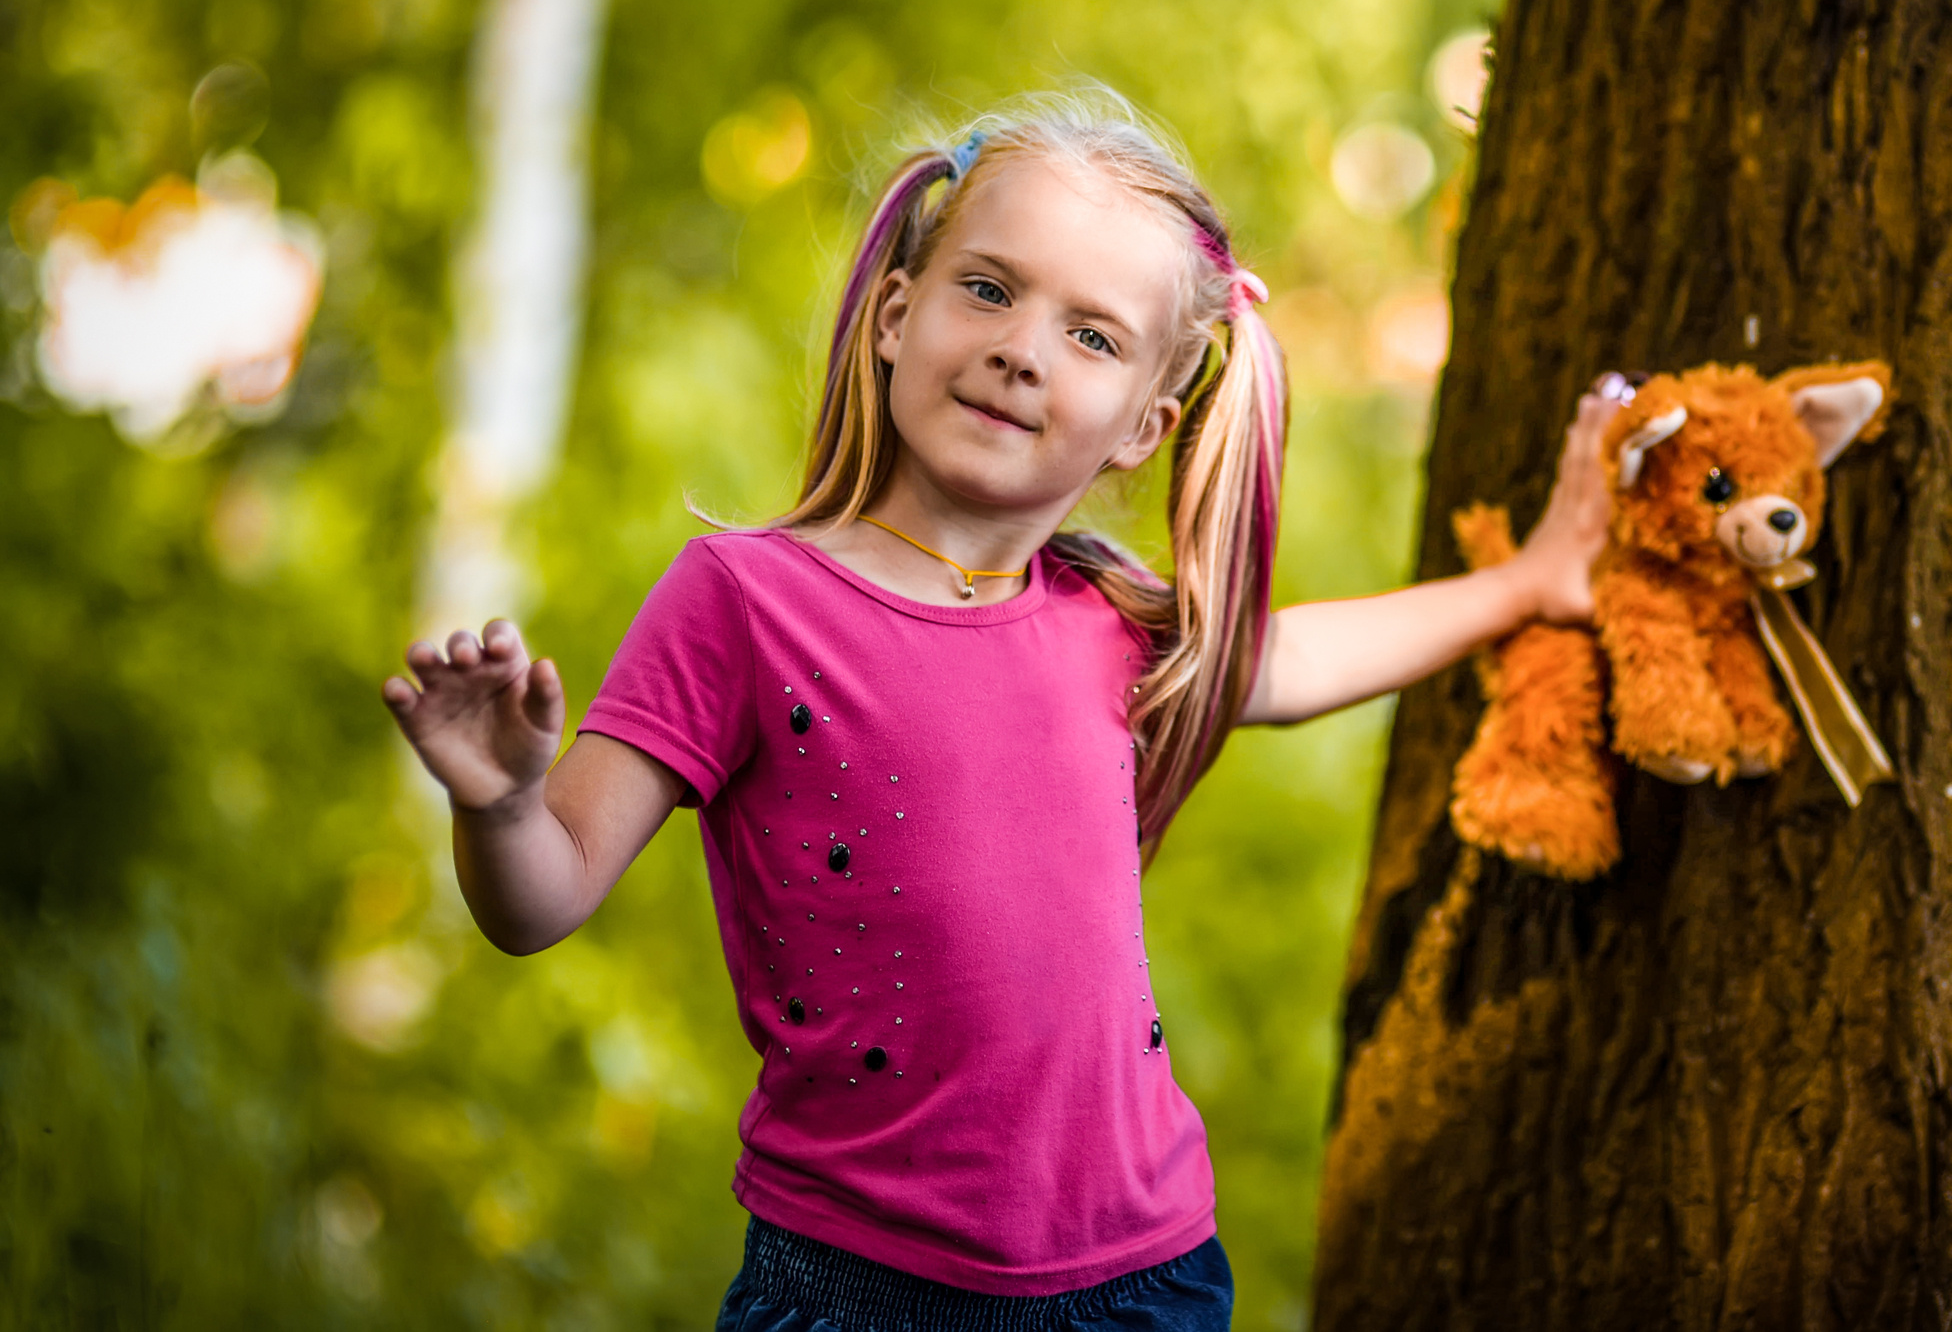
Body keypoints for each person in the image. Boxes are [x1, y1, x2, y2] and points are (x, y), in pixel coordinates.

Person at [382, 93, 1616, 1331]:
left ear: (1143, 425)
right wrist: (501, 802)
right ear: (893, 314)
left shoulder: (1108, 623)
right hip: (860, 1292)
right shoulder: (747, 600)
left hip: (1147, 1281)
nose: (1023, 348)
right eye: (987, 289)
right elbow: (540, 899)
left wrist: (1524, 584)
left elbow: (1293, 660)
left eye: (1090, 335)